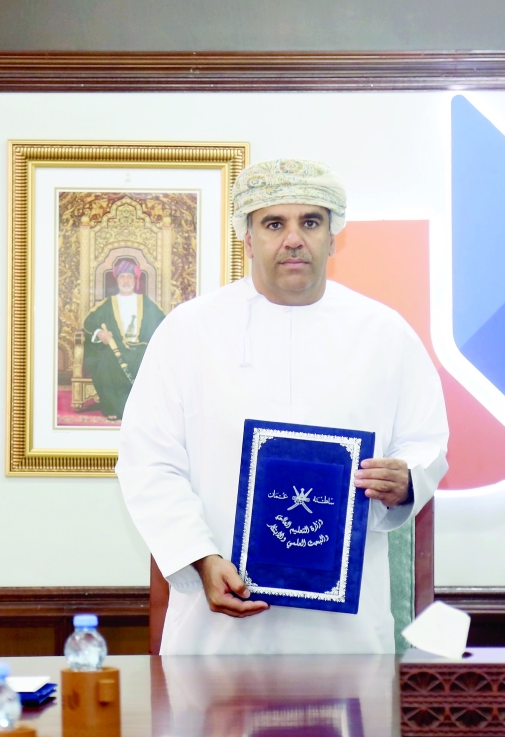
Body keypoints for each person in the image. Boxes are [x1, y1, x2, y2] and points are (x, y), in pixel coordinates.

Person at [116, 159, 449, 654]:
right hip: (218, 631)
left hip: (345, 637)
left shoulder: (385, 333)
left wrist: (405, 481)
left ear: (333, 237)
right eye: (274, 224)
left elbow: (425, 444)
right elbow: (148, 462)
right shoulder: (188, 332)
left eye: (310, 222)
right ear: (248, 238)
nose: (294, 239)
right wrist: (201, 558)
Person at [81, 253, 165, 419]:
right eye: (122, 277)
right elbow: (88, 324)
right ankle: (114, 408)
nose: (126, 281)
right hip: (114, 351)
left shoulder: (146, 303)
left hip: (140, 350)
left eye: (129, 277)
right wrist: (100, 334)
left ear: (135, 280)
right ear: (117, 280)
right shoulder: (107, 304)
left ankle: (142, 409)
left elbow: (162, 323)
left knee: (148, 359)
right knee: (104, 363)